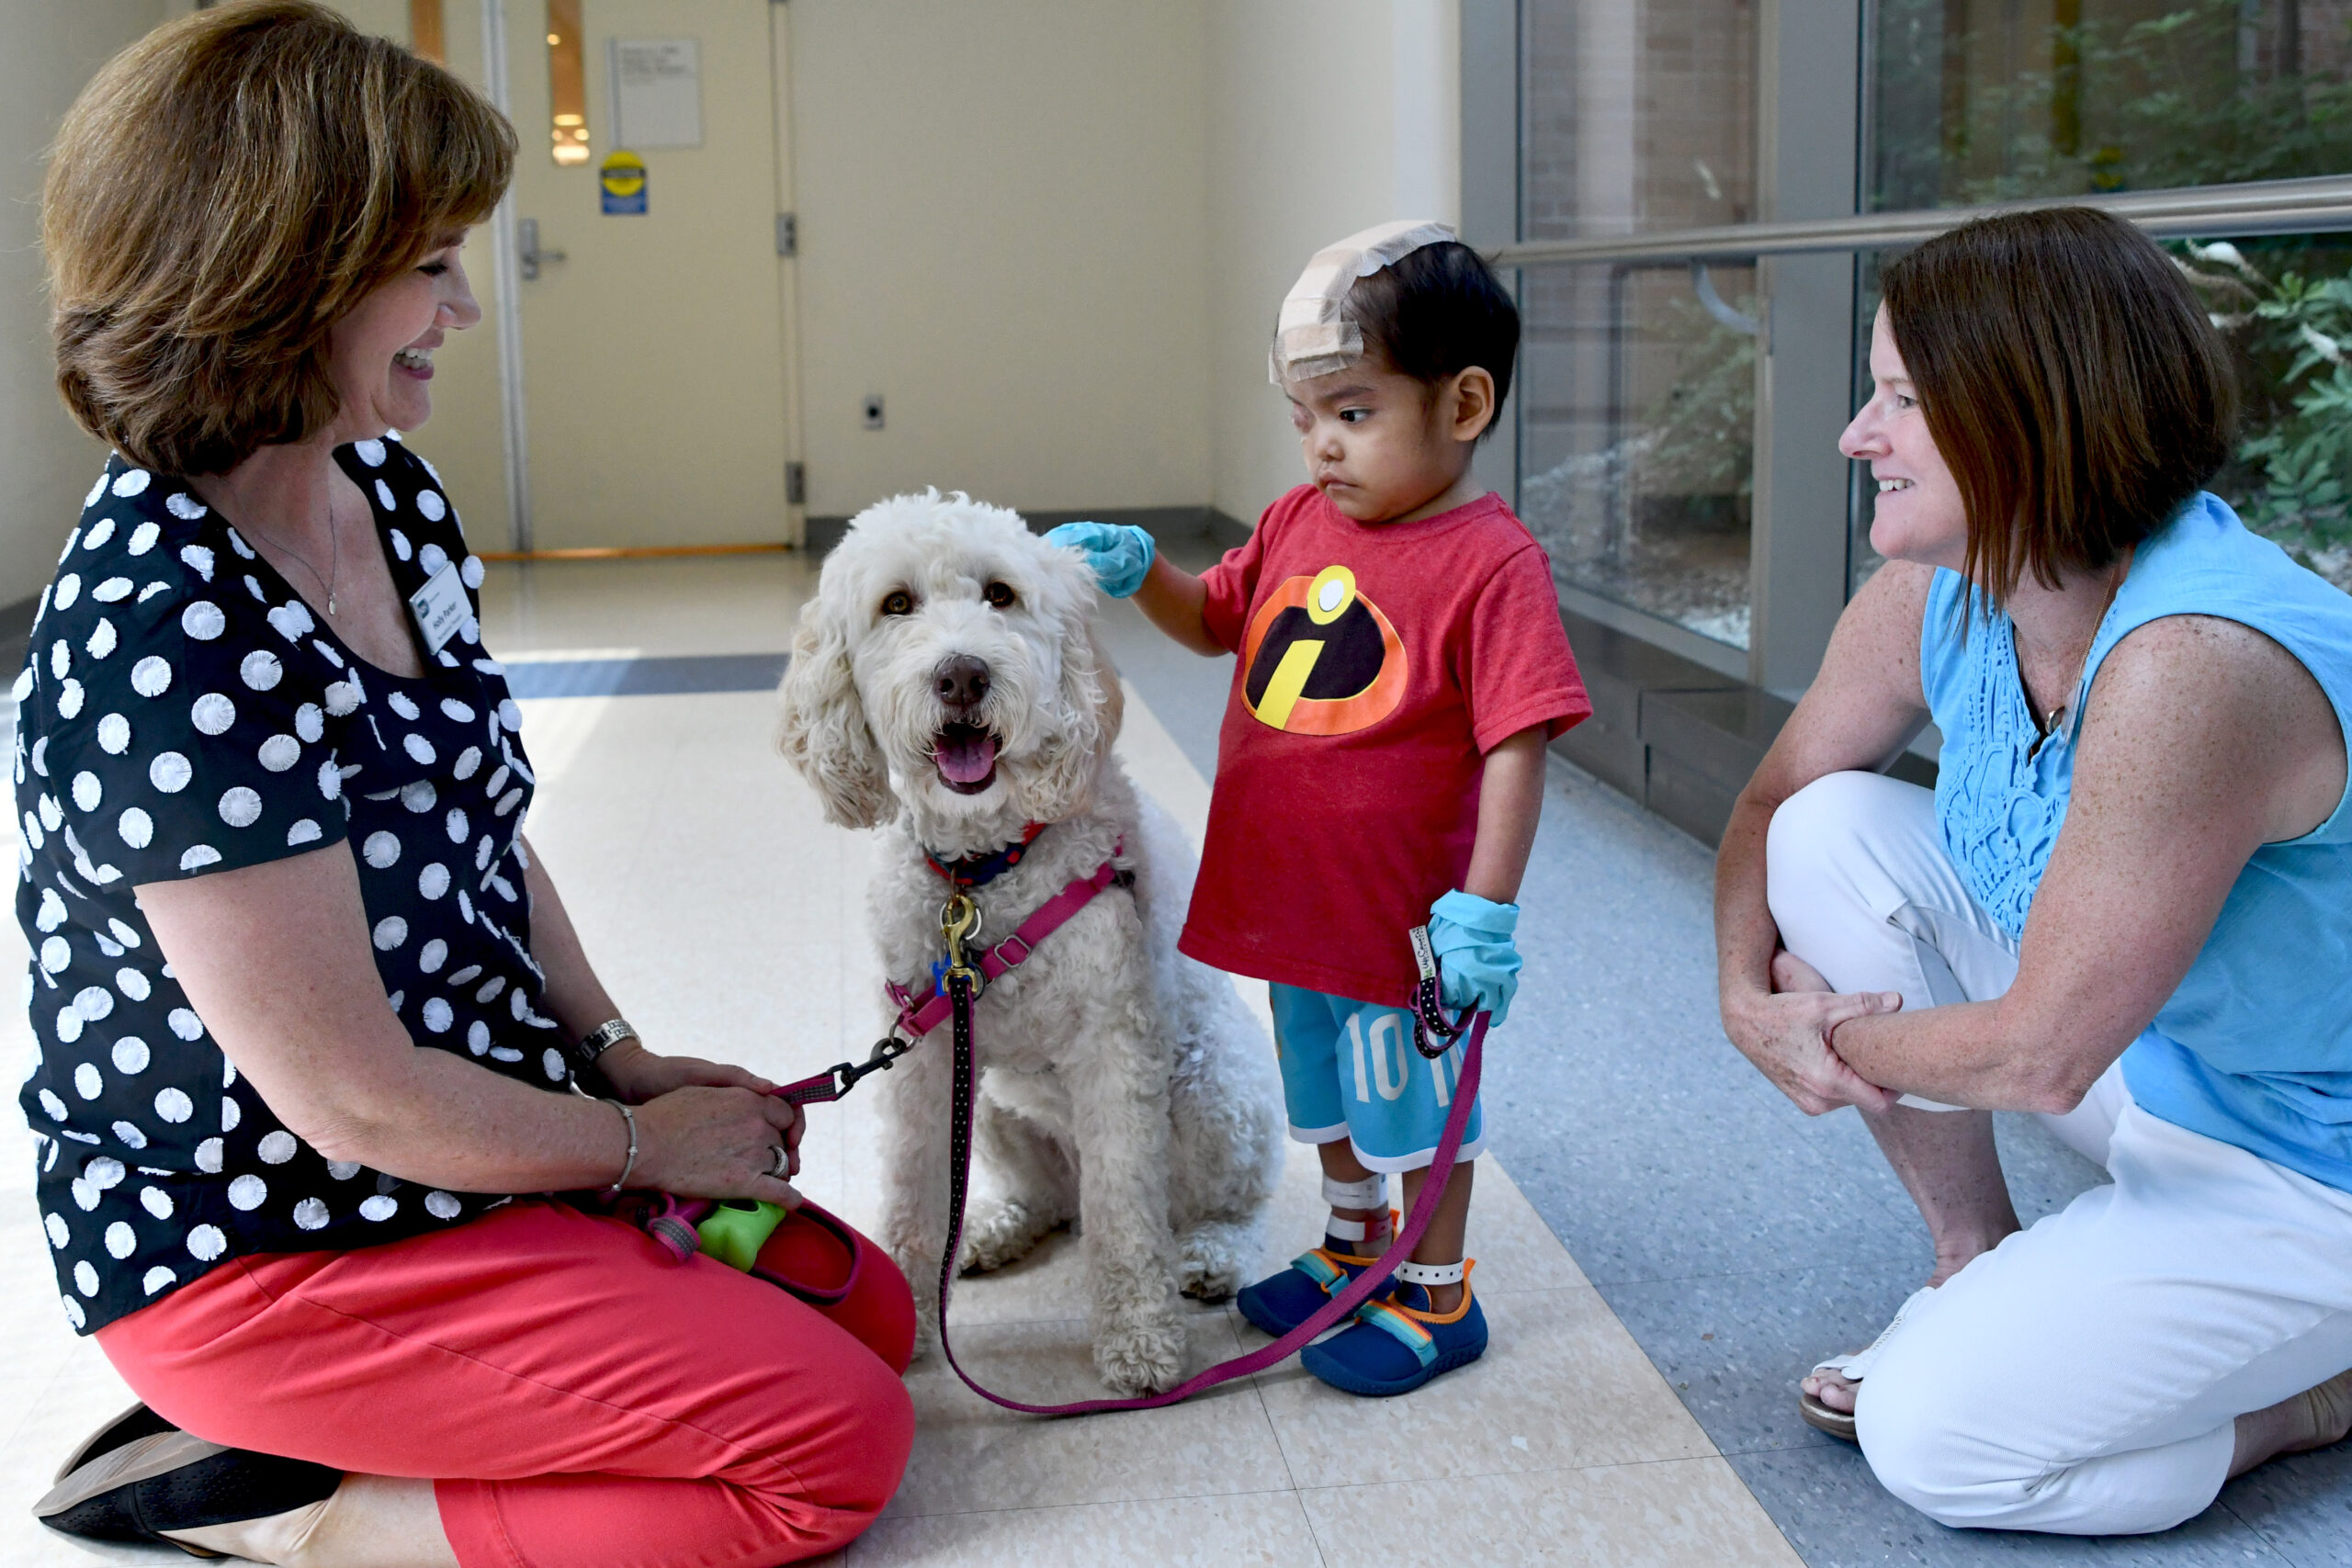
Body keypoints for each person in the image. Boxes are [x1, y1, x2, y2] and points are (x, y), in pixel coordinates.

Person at [25, 7, 912, 1563]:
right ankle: (280, 1493)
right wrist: (645, 1155)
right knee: (830, 1447)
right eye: (430, 265)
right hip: (273, 1246)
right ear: (280, 277)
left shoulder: (386, 496)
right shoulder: (163, 631)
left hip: (464, 1142)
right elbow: (351, 1096)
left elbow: (484, 825)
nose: (465, 308)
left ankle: (400, 1397)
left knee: (872, 1315)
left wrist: (622, 1060)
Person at [1714, 205, 2352, 1534]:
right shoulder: (1952, 587)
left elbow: (2040, 1057)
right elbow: (1774, 799)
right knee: (1830, 826)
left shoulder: (2195, 663)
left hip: (2312, 1162)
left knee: (1938, 1441)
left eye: (1898, 398)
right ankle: (1976, 1256)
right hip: (2164, 1059)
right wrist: (1742, 997)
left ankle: (2313, 1396)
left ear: (2027, 415)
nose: (1857, 435)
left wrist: (1821, 1037)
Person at [1050, 221, 1589, 1395]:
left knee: (1416, 1102)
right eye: (1304, 420)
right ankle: (1355, 1244)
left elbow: (1518, 742)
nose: (1320, 449)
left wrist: (1482, 913)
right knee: (1329, 1091)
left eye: (1352, 413)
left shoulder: (1493, 566)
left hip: (1402, 921)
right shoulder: (1298, 524)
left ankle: (1437, 1294)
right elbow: (1216, 624)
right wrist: (1147, 569)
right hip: (1292, 899)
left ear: (1463, 404)